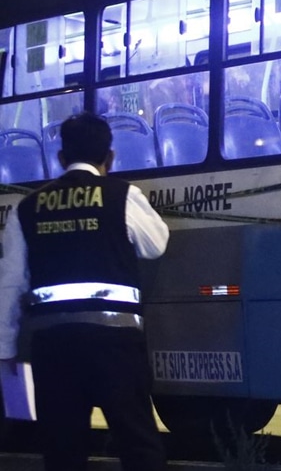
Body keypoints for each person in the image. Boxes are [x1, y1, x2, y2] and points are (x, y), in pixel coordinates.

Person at [0, 112, 170, 471]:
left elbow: (11, 283)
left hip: (54, 346)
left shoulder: (26, 207)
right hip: (116, 344)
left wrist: (5, 349)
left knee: (63, 450)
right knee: (138, 444)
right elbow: (155, 245)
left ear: (61, 158)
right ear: (109, 157)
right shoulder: (122, 195)